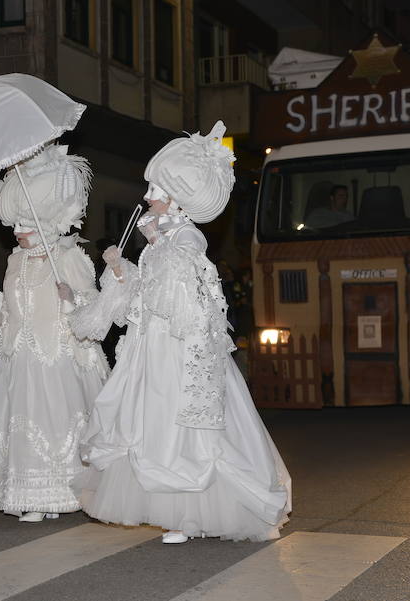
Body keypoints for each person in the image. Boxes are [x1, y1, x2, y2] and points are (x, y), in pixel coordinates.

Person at [72, 123, 291, 544]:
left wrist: (160, 243)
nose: (147, 197)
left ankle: (190, 516)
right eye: (150, 189)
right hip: (152, 345)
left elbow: (184, 294)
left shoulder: (187, 237)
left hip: (180, 348)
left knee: (185, 429)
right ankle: (174, 514)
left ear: (175, 198)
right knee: (151, 424)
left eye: (154, 190)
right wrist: (121, 267)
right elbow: (144, 294)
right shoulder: (161, 239)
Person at [0, 144, 109, 523]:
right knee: (21, 426)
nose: (17, 233)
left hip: (56, 357)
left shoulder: (69, 257)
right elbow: (11, 307)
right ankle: (31, 495)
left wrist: (71, 297)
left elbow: (95, 304)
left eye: (24, 226)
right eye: (15, 226)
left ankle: (57, 495)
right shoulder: (14, 260)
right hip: (19, 357)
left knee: (54, 423)